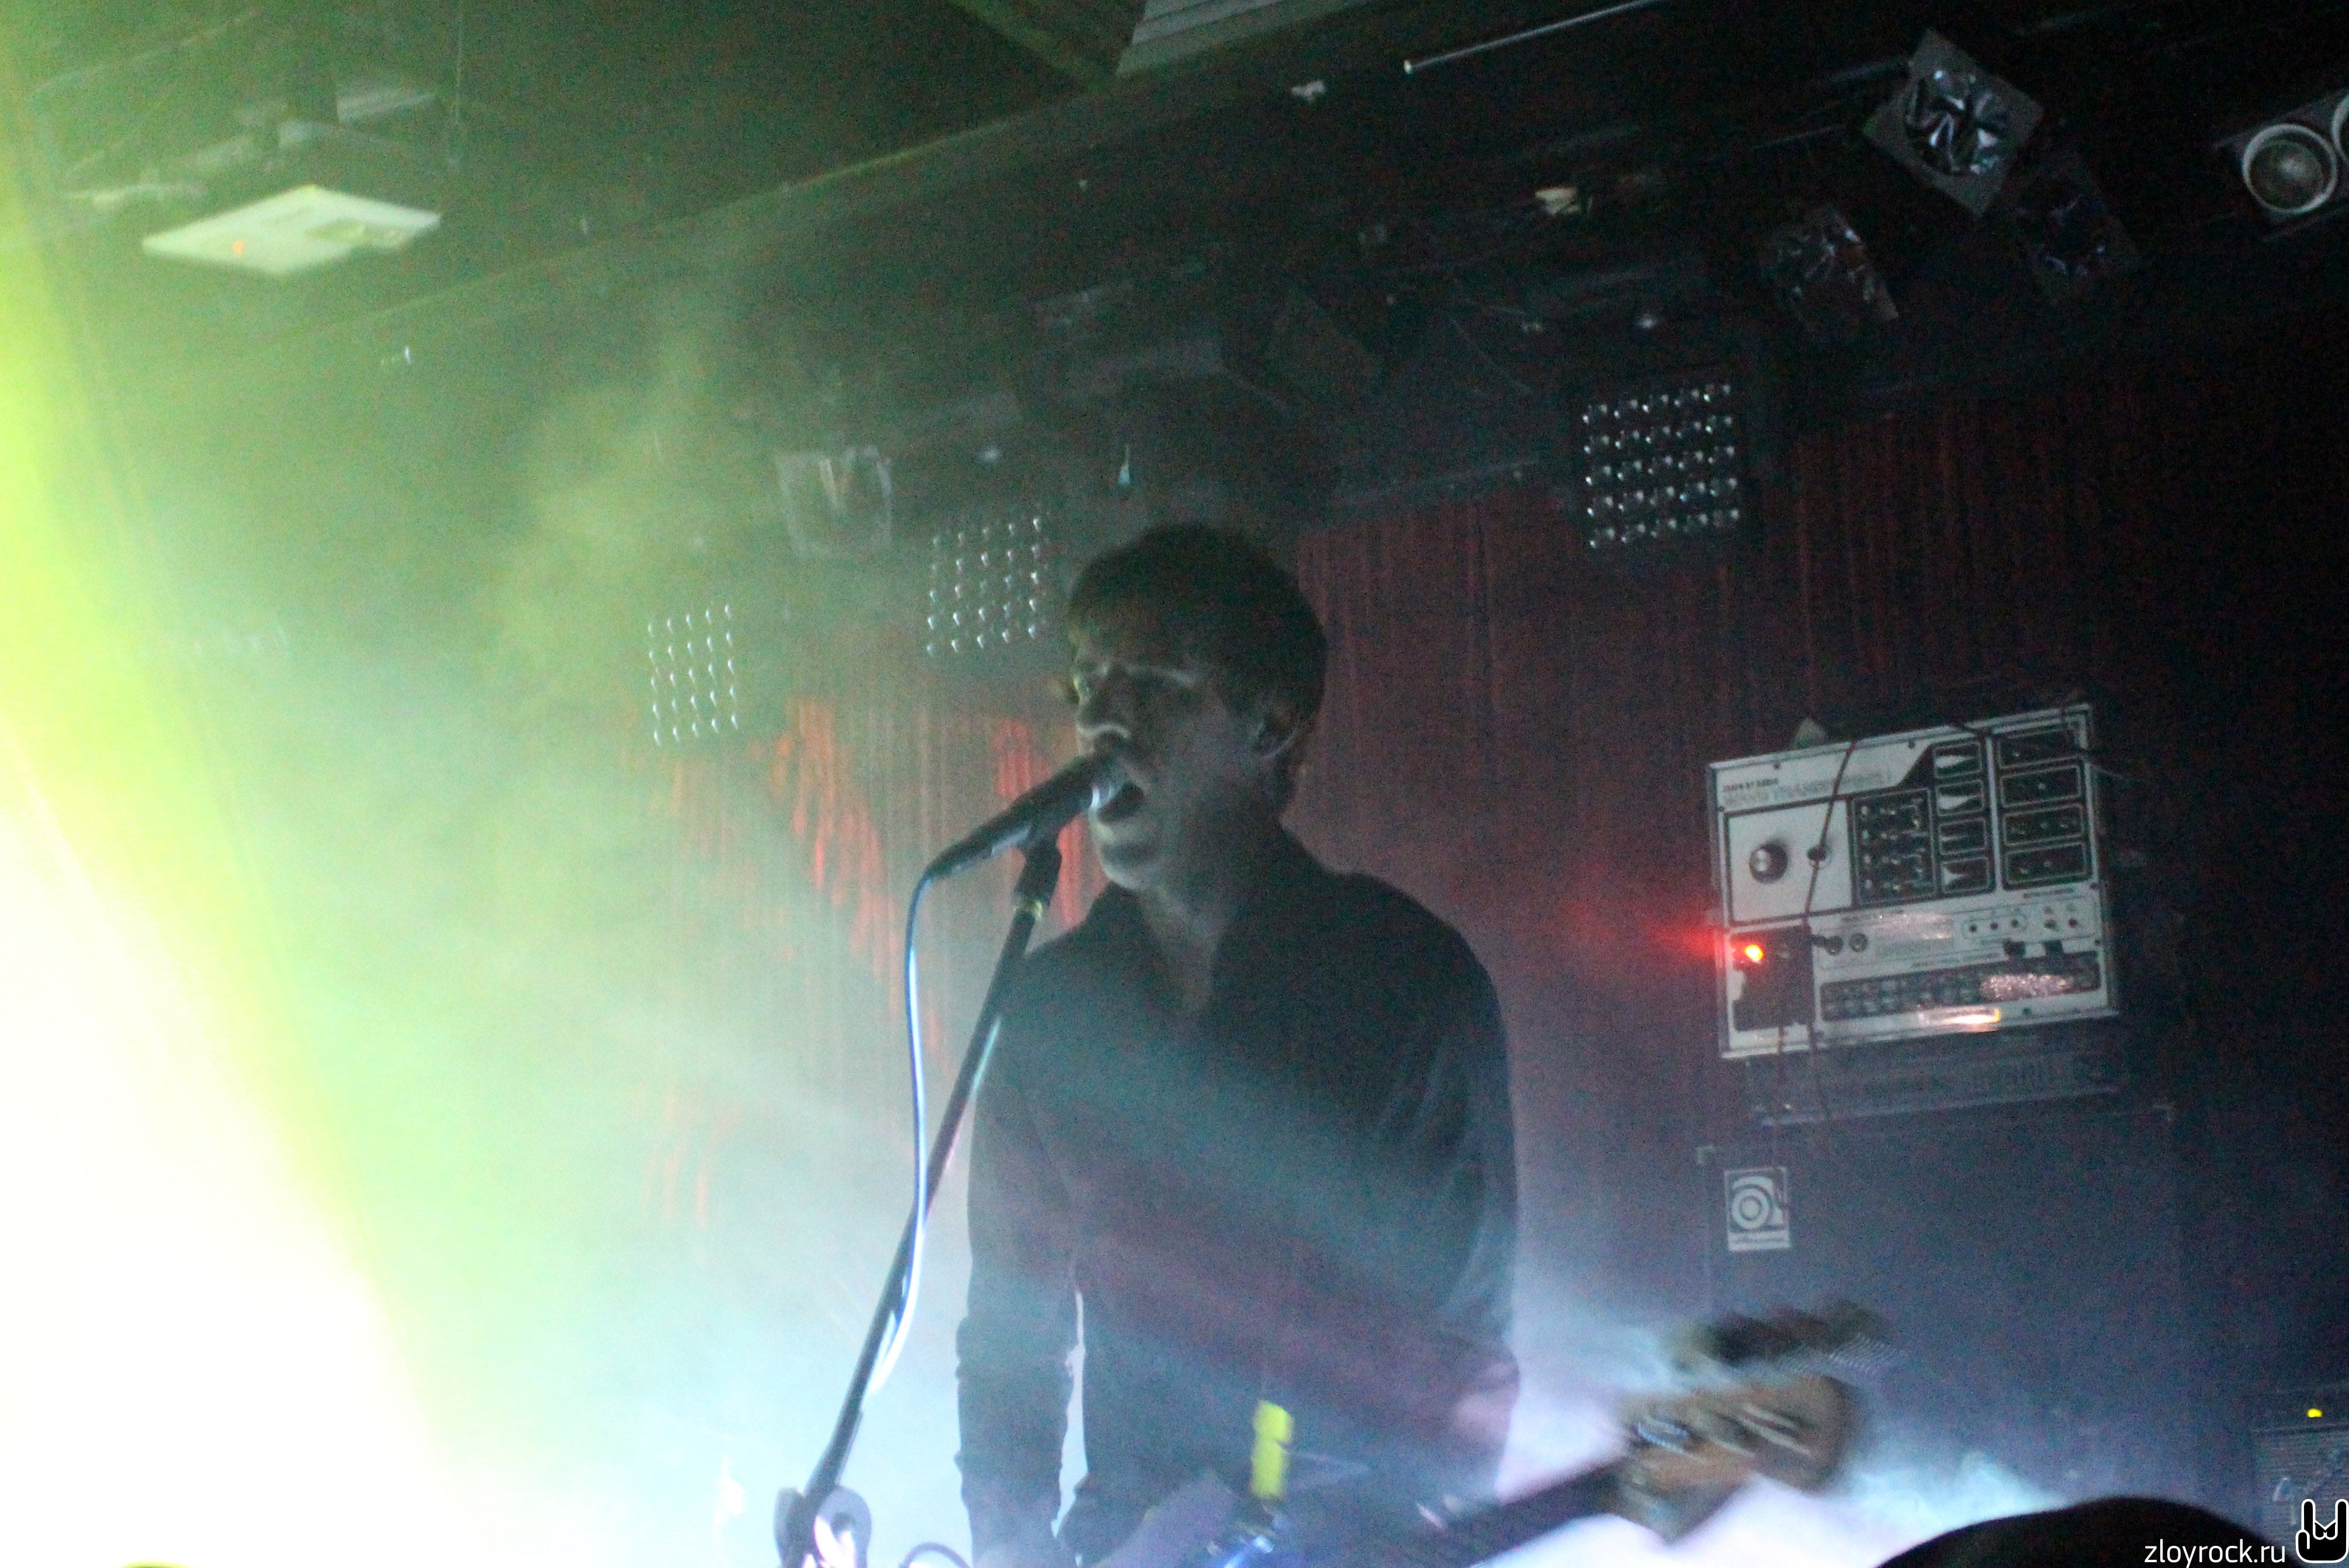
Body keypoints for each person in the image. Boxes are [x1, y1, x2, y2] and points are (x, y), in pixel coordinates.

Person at [955, 525, 1519, 1568]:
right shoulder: (1050, 1011)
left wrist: (1356, 1533)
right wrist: (1012, 1548)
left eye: (1153, 684)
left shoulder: (1404, 983)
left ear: (1274, 728)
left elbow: (1456, 1351)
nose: (1104, 719)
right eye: (1088, 684)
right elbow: (1008, 1333)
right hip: (1121, 1538)